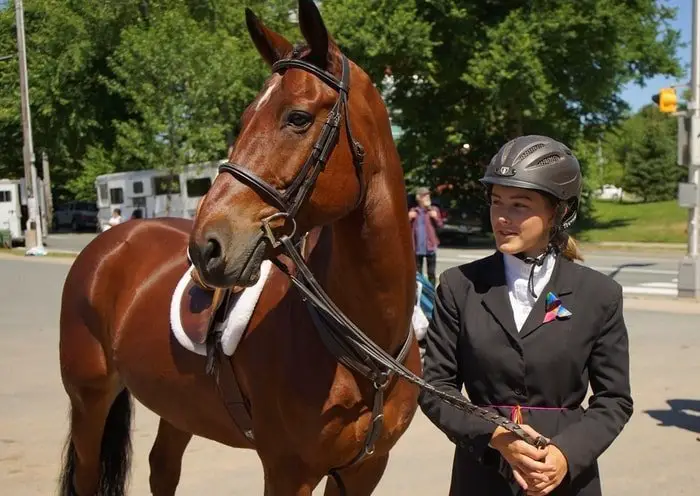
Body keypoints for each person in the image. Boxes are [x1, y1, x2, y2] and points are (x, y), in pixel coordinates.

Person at [418, 135, 633, 496]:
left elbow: (615, 399)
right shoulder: (459, 286)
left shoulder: (599, 294)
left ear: (559, 212)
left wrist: (566, 454)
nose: (502, 217)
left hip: (566, 480)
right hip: (481, 475)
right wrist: (496, 435)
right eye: (497, 202)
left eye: (519, 205)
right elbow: (435, 389)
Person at [409, 186, 444, 285]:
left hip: (430, 247)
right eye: (424, 195)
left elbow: (440, 225)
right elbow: (405, 228)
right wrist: (408, 218)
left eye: (428, 195)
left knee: (431, 273)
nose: (427, 197)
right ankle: (420, 293)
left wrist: (436, 217)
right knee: (418, 274)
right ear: (419, 198)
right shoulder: (413, 211)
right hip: (417, 248)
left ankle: (432, 292)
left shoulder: (434, 210)